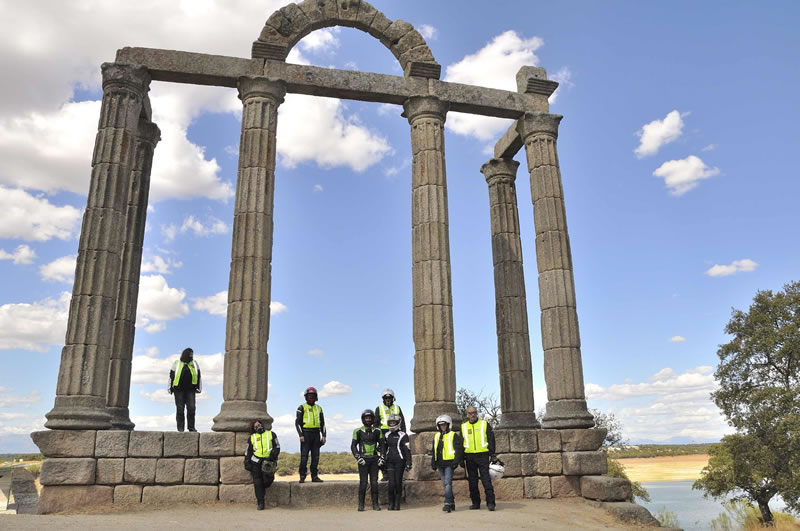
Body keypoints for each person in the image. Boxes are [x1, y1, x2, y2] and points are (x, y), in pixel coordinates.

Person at [461, 406, 497, 511]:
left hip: (483, 455)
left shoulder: (484, 424)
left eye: (474, 412)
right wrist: (461, 459)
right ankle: (475, 503)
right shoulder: (463, 427)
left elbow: (491, 439)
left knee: (486, 480)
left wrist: (493, 454)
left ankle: (491, 503)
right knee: (472, 482)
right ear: (467, 414)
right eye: (470, 413)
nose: (473, 414)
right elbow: (460, 444)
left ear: (477, 413)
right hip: (469, 456)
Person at [351, 409, 384, 511]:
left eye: (370, 418)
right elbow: (353, 446)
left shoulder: (378, 431)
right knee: (363, 483)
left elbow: (383, 445)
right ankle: (361, 505)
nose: (368, 420)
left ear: (373, 419)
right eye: (366, 418)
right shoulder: (358, 431)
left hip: (374, 459)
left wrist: (382, 457)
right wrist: (358, 457)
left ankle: (375, 504)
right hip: (363, 460)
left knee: (374, 482)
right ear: (363, 419)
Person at [243, 419, 280, 510]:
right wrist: (247, 462)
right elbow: (248, 452)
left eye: (259, 425)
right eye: (255, 426)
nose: (258, 427)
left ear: (262, 425)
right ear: (253, 429)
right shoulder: (252, 437)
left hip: (269, 461)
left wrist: (272, 456)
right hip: (256, 462)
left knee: (268, 481)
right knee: (257, 482)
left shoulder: (271, 434)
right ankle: (260, 502)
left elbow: (277, 446)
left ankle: (263, 489)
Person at [431, 414, 463, 513]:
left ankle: (447, 503)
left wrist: (456, 461)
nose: (442, 426)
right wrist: (433, 462)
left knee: (448, 483)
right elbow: (434, 450)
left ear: (448, 425)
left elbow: (459, 449)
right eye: (441, 425)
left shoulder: (453, 435)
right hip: (440, 464)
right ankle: (452, 502)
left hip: (450, 463)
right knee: (445, 484)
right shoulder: (436, 436)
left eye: (444, 424)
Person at [295, 386, 326, 483]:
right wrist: (301, 435)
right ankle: (302, 476)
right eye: (309, 395)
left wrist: (324, 435)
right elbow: (297, 423)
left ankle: (314, 476)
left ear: (316, 396)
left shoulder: (319, 408)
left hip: (316, 434)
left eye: (313, 395)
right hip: (306, 433)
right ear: (306, 396)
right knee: (304, 457)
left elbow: (322, 423)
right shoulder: (301, 407)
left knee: (315, 456)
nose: (311, 397)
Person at [168, 347, 201, 432]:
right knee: (180, 409)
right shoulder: (176, 363)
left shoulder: (195, 363)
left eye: (192, 354)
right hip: (178, 389)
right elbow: (171, 376)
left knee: (191, 408)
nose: (191, 355)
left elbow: (199, 376)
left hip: (191, 389)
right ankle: (180, 429)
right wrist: (169, 388)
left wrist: (199, 388)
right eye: (190, 354)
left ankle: (191, 427)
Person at [375, 389, 405, 481]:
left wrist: (404, 433)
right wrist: (377, 436)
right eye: (386, 398)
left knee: (397, 453)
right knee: (383, 454)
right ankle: (385, 473)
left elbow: (402, 421)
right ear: (383, 399)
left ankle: (398, 473)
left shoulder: (397, 408)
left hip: (396, 432)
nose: (388, 399)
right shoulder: (379, 408)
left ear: (393, 398)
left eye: (389, 398)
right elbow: (376, 423)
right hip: (383, 432)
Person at [383, 413, 411, 510]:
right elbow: (383, 448)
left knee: (398, 482)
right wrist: (382, 458)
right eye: (390, 422)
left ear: (399, 423)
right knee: (391, 483)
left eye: (394, 422)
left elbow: (407, 450)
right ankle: (391, 503)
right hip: (389, 461)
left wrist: (409, 462)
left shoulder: (403, 435)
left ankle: (397, 504)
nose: (392, 424)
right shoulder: (386, 434)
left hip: (400, 461)